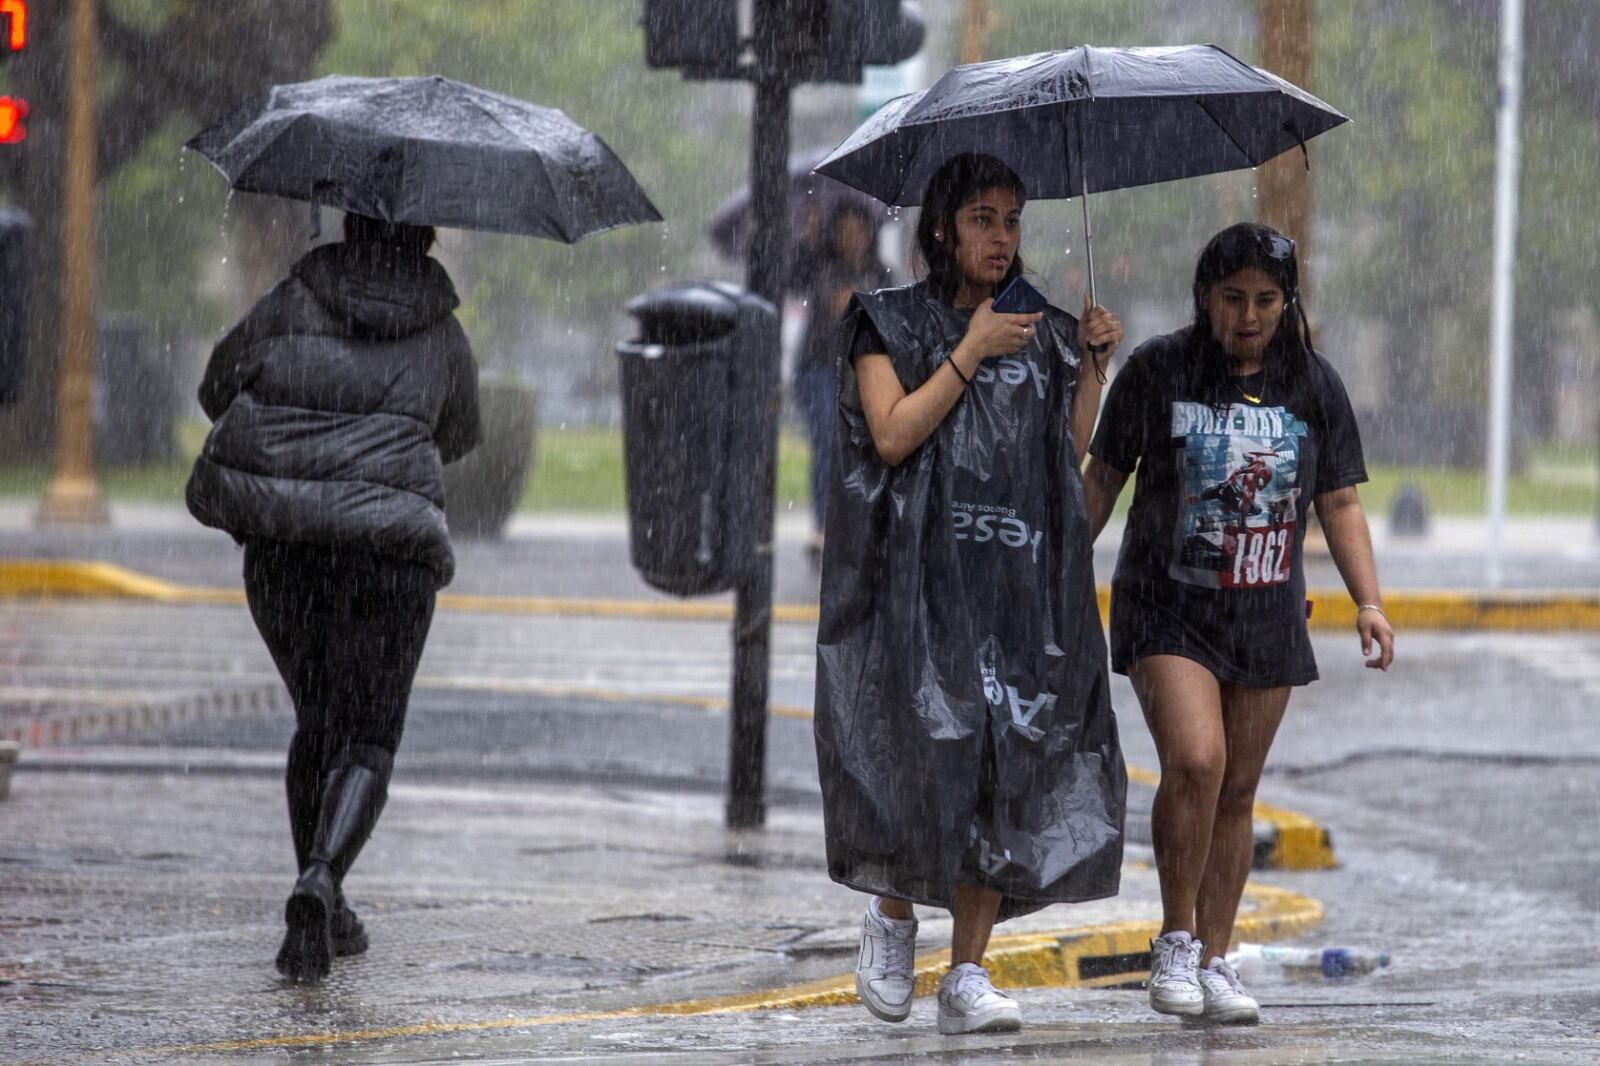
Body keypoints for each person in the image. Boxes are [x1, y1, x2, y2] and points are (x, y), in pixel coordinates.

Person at [814, 152, 1127, 1036]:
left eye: (1014, 219)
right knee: (917, 759)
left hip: (1013, 590)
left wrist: (1094, 366)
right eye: (984, 217)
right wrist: (971, 349)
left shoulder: (1045, 329)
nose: (1002, 236)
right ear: (944, 228)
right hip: (913, 588)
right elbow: (891, 436)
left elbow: (1061, 456)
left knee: (1005, 762)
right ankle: (891, 916)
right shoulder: (883, 321)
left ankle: (967, 972)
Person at [1082, 222, 1395, 1025]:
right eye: (1233, 299)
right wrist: (1046, 570)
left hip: (1266, 612)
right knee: (1196, 760)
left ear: (1287, 303)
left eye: (1266, 300)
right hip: (1166, 607)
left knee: (1238, 787)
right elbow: (1102, 481)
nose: (1249, 316)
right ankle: (1176, 943)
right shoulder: (1158, 371)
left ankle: (1218, 957)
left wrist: (1368, 601)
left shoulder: (1312, 384)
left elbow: (1341, 502)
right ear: (1204, 297)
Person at [186, 213, 480, 984]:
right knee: (368, 733)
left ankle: (322, 897)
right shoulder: (442, 333)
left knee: (317, 717)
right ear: (423, 238)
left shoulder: (288, 301)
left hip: (286, 550)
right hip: (389, 557)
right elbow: (460, 435)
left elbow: (216, 386)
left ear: (347, 223)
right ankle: (322, 877)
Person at [793, 200, 893, 563]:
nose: (852, 238)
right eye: (844, 230)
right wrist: (806, 240)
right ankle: (822, 526)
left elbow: (889, 320)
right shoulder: (820, 264)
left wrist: (859, 307)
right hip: (819, 367)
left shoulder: (880, 274)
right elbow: (791, 279)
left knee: (865, 444)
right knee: (827, 439)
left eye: (859, 230)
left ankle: (858, 520)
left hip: (864, 369)